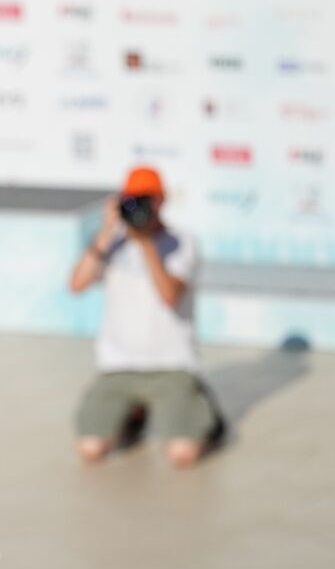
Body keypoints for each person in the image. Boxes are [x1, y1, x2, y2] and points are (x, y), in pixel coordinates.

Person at [68, 167, 221, 468]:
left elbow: (170, 296)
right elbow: (76, 285)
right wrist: (107, 230)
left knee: (182, 455)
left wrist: (146, 241)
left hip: (171, 366)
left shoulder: (181, 241)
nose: (141, 207)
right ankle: (133, 417)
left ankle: (207, 418)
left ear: (161, 201)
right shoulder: (111, 243)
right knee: (90, 449)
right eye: (133, 200)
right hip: (118, 366)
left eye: (148, 200)